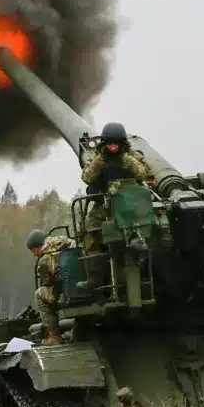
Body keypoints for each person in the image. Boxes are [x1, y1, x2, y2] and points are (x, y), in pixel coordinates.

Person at [77, 122, 152, 290]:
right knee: (89, 234)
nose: (112, 148)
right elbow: (87, 178)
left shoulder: (131, 156)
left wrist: (127, 161)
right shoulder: (98, 158)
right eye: (109, 144)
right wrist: (101, 161)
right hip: (104, 207)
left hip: (130, 207)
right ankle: (95, 279)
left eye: (116, 144)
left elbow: (145, 173)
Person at [25, 229, 74, 346]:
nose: (34, 254)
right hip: (79, 285)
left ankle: (54, 337)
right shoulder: (65, 242)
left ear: (37, 247)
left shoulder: (44, 259)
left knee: (40, 294)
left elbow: (47, 283)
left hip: (65, 292)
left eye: (33, 251)